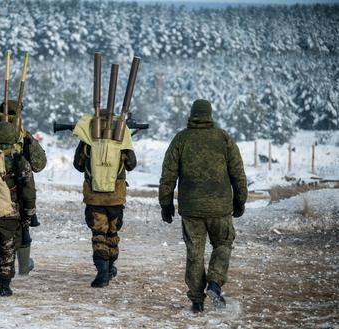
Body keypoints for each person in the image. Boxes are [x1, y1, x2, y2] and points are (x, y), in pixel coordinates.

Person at [158, 99, 247, 313]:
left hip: (191, 209)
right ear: (209, 115)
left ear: (192, 114)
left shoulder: (181, 139)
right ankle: (214, 283)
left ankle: (197, 301)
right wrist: (240, 199)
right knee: (223, 243)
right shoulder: (223, 138)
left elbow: (168, 175)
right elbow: (237, 172)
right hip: (220, 207)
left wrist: (165, 203)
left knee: (194, 252)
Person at [0, 121, 41, 301]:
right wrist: (28, 216)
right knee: (7, 251)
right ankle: (5, 286)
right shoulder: (21, 161)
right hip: (11, 215)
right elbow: (28, 193)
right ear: (13, 140)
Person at [72, 111, 137, 288]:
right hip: (115, 197)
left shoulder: (88, 139)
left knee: (99, 233)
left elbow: (78, 165)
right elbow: (132, 164)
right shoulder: (121, 137)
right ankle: (110, 267)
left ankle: (102, 271)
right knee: (112, 232)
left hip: (94, 197)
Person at [0, 99, 47, 276]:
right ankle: (22, 266)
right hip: (19, 190)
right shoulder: (22, 135)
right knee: (22, 229)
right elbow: (39, 164)